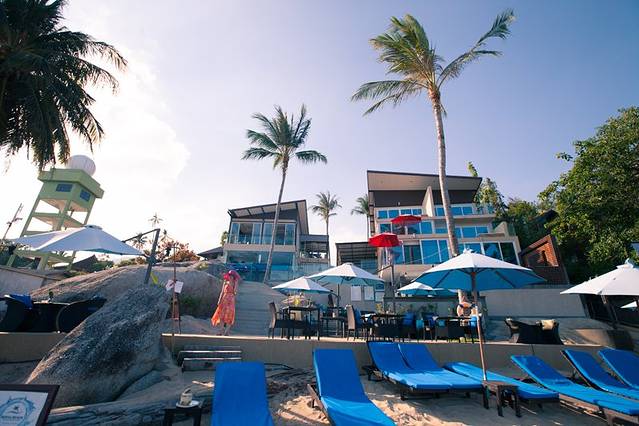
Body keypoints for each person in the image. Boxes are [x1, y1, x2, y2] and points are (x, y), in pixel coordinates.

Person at [211, 270, 240, 335]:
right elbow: (222, 291)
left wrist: (235, 284)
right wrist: (219, 299)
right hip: (224, 298)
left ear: (234, 277)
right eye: (230, 275)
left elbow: (235, 292)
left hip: (231, 299)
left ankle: (226, 331)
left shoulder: (235, 283)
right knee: (221, 315)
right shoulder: (225, 282)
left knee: (229, 315)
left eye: (232, 276)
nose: (230, 277)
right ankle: (221, 331)